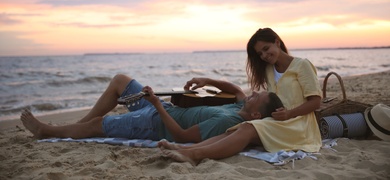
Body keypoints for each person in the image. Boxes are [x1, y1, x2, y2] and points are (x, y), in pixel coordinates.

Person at [160, 27, 323, 165]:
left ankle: (194, 155)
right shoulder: (268, 70)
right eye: (260, 53)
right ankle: (186, 149)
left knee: (247, 128)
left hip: (299, 126)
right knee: (235, 129)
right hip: (278, 122)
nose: (264, 56)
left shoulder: (302, 65)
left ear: (277, 42)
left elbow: (315, 102)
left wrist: (289, 114)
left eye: (266, 49)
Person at [20, 74, 283, 143]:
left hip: (152, 124)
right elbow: (237, 90)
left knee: (96, 128)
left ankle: (46, 131)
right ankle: (79, 125)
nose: (254, 93)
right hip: (160, 108)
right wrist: (207, 80)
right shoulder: (238, 107)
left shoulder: (226, 123)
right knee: (120, 81)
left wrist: (157, 104)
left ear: (257, 114)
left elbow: (181, 136)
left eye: (258, 97)